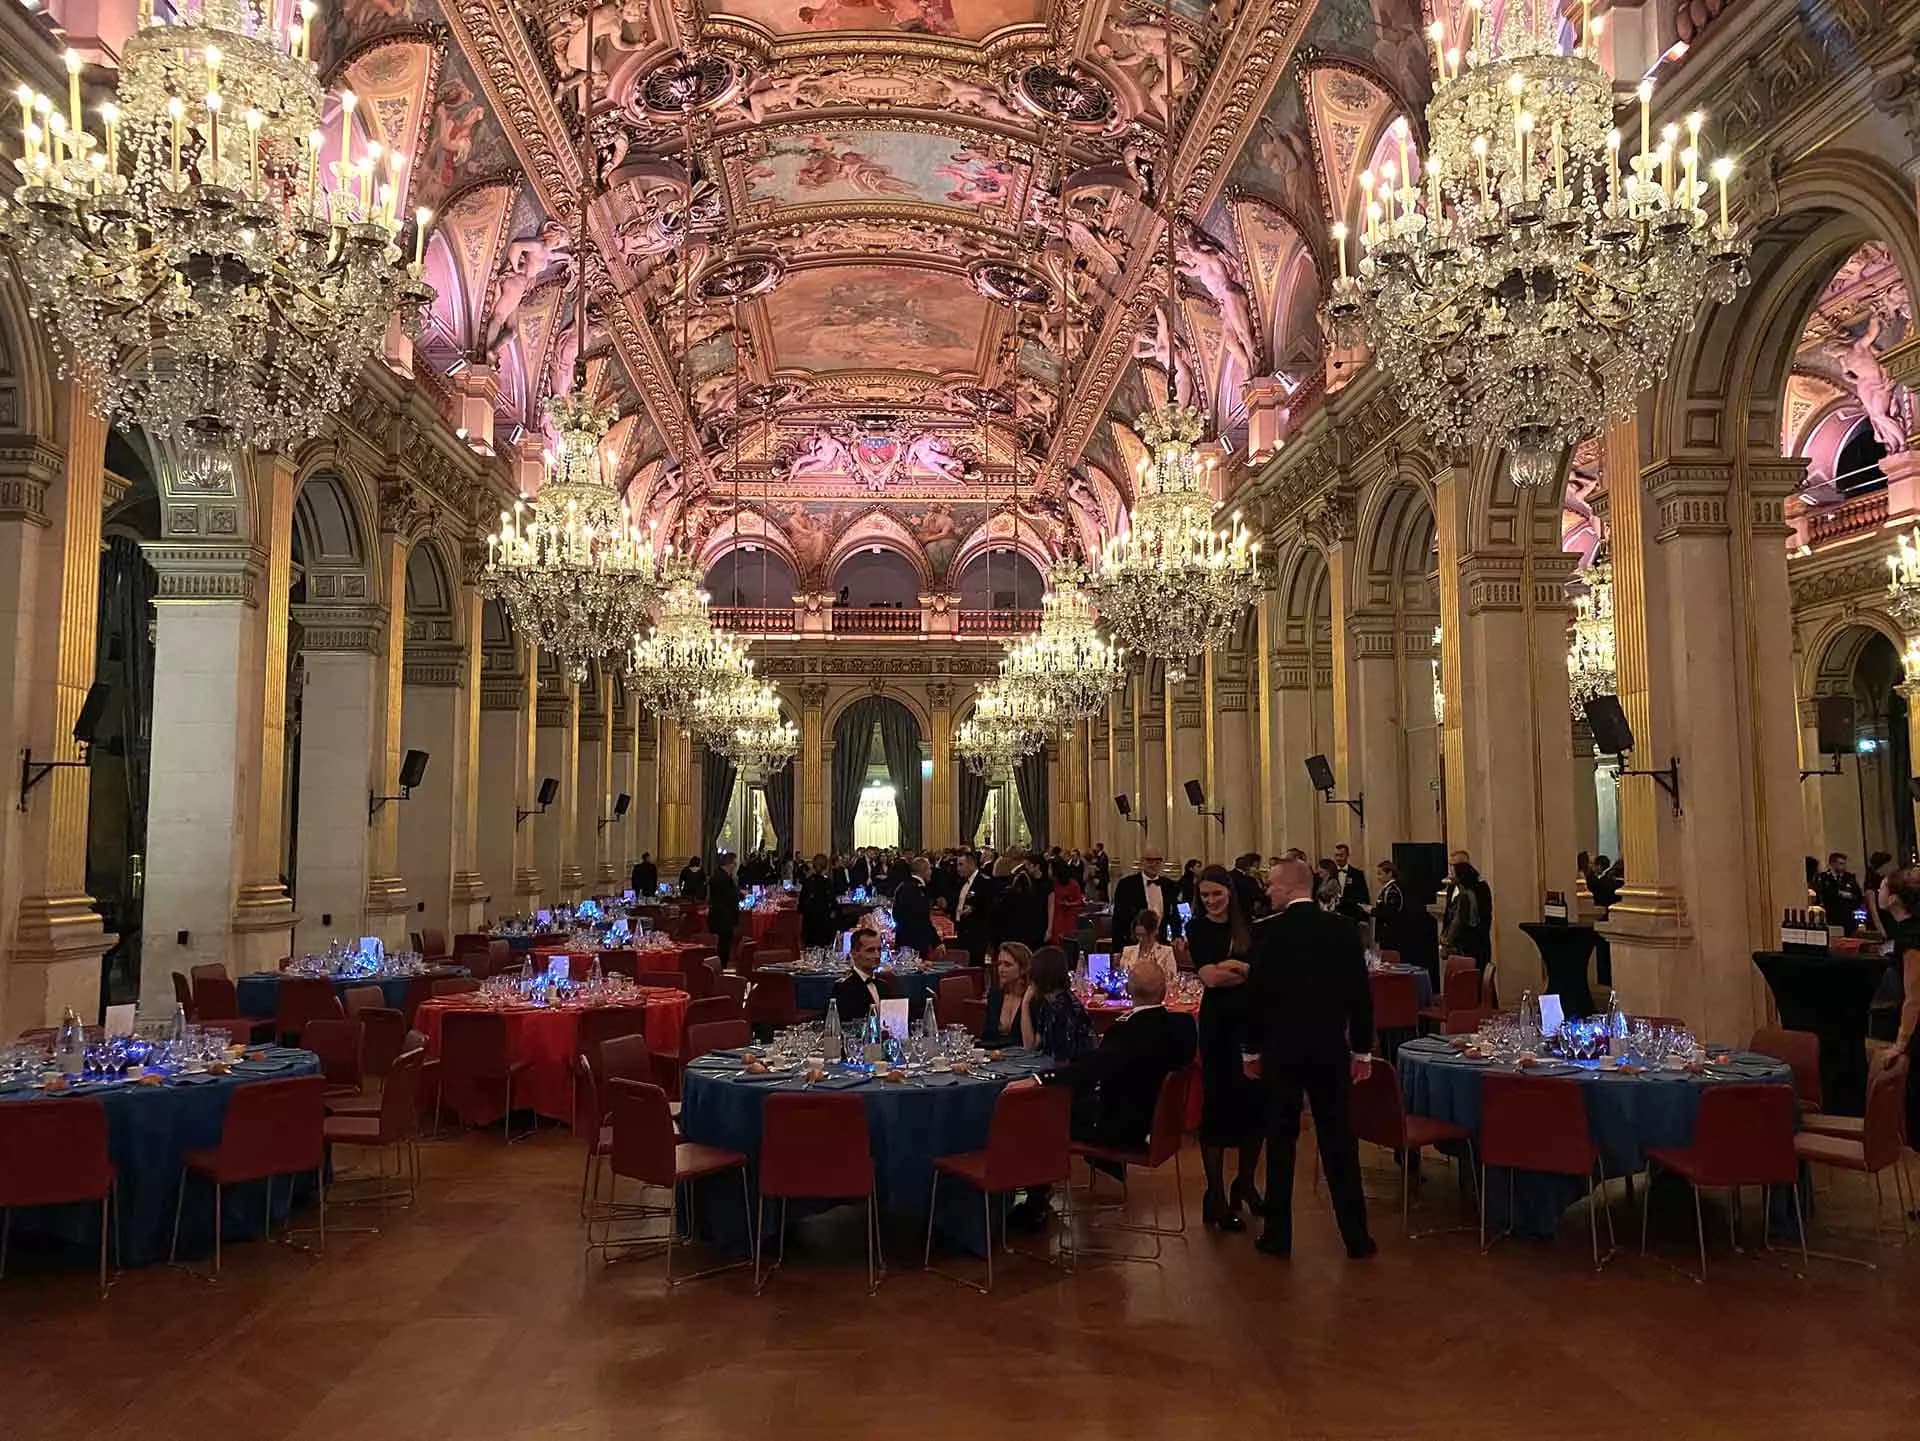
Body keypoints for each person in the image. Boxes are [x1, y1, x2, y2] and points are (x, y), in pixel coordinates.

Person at [1243, 857, 1376, 1260]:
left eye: (1271, 885)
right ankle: (1357, 1237)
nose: (1267, 891)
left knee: (1281, 1142)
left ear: (1287, 887)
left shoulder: (1266, 932)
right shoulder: (1342, 930)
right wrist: (1364, 1050)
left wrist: (1251, 1050)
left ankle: (1278, 1236)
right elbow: (1360, 996)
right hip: (1329, 1049)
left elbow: (1256, 999)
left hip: (1282, 1051)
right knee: (1339, 1142)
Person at [1187, 863, 1262, 1230]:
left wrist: (1243, 969)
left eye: (1216, 894)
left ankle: (1245, 1183)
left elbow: (1262, 971)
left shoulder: (1247, 923)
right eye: (1205, 896)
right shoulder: (1197, 928)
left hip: (1251, 1023)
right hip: (1218, 1026)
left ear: (1229, 892)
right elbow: (1211, 978)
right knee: (1217, 1109)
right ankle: (1214, 1195)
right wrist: (1242, 970)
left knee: (1255, 1106)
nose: (1211, 901)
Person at [1067, 959, 1196, 1150]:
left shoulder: (1123, 1033)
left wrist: (1045, 1076)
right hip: (1164, 1126)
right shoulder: (1185, 1025)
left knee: (1052, 1113)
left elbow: (1092, 1072)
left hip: (1125, 1130)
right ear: (1164, 990)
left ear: (1127, 989)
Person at [1874, 867, 1920, 1173]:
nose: (1877, 891)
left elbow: (1914, 995)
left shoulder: (1911, 935)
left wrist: (1900, 1044)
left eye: (1881, 887)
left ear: (1893, 899)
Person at [1017, 944, 1094, 1064]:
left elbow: (1064, 1060)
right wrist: (1025, 1004)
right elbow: (1030, 1046)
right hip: (1051, 1068)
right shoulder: (1048, 1003)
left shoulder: (1065, 1008)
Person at [1111, 847, 1179, 948]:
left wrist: (1177, 936)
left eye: (1158, 861)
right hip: (1133, 944)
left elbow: (1174, 915)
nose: (1154, 864)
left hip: (1161, 944)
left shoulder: (1169, 885)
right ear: (1142, 861)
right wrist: (1117, 949)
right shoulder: (1126, 885)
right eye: (1150, 860)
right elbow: (1118, 918)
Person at [1441, 857, 1491, 970]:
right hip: (1475, 944)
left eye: (1453, 873)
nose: (1451, 877)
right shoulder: (1469, 890)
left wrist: (1447, 942)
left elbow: (1458, 921)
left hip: (1467, 947)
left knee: (1467, 982)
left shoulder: (1467, 894)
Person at [981, 941, 1031, 1049]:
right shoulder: (995, 994)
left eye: (1007, 965)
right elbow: (988, 1036)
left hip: (1024, 1060)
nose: (1001, 969)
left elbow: (1032, 1045)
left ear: (1023, 969)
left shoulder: (1032, 998)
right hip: (995, 1057)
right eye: (999, 964)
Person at [830, 926, 885, 1023]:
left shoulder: (884, 985)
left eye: (879, 950)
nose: (877, 955)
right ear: (853, 953)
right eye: (870, 950)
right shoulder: (843, 988)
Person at [951, 850, 996, 965]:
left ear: (971, 864)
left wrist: (973, 910)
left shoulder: (985, 882)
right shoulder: (960, 882)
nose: (958, 868)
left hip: (976, 934)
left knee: (975, 966)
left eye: (961, 865)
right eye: (957, 865)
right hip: (961, 931)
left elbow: (990, 906)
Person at [997, 853, 1050, 948]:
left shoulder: (1047, 883)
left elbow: (1051, 906)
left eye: (1028, 865)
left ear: (1037, 866)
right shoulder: (1025, 880)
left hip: (1042, 922)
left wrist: (1049, 929)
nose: (1025, 868)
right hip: (1028, 924)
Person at [1118, 907, 1179, 988]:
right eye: (1138, 935)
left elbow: (1172, 979)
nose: (1141, 939)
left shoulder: (1166, 952)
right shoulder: (1127, 951)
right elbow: (1122, 979)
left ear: (1154, 932)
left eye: (1144, 935)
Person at [892, 856, 940, 955]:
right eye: (929, 868)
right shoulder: (916, 889)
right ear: (924, 870)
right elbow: (922, 919)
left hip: (903, 939)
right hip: (915, 943)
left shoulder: (903, 885)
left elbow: (895, 914)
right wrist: (936, 941)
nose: (931, 872)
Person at [1816, 852, 1865, 935]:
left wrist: (1843, 895)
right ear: (1832, 864)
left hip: (1848, 918)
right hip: (1831, 917)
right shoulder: (1824, 878)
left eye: (1844, 864)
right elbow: (1824, 895)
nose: (1844, 866)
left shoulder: (1849, 878)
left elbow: (1858, 896)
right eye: (1841, 863)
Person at [1371, 858, 1410, 958]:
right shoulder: (1387, 889)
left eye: (1380, 874)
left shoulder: (1393, 890)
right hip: (1385, 934)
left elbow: (1389, 913)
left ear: (1389, 874)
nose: (1377, 877)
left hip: (1391, 934)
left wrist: (1371, 910)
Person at [708, 853, 741, 972]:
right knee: (723, 945)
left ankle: (720, 968)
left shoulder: (716, 876)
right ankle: (721, 968)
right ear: (730, 864)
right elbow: (730, 897)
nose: (735, 866)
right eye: (735, 864)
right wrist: (739, 894)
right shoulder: (724, 878)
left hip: (718, 915)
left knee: (722, 944)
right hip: (723, 917)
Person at [800, 852, 840, 948]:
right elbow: (833, 904)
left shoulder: (807, 882)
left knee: (809, 952)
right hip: (825, 925)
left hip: (809, 924)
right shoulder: (828, 883)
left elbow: (800, 906)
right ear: (826, 867)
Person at [1047, 857, 1085, 944]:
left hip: (1067, 918)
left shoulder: (1072, 883)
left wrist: (1069, 904)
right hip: (1055, 919)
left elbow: (1080, 900)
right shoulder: (1051, 884)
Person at [1330, 843, 1370, 920]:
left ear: (1347, 855)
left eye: (1341, 855)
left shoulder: (1357, 874)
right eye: (1336, 855)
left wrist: (1364, 919)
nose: (1338, 858)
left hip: (1352, 916)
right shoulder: (1330, 873)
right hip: (1333, 917)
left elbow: (1364, 897)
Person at [1865, 850, 1895, 933]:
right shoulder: (1871, 884)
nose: (1890, 867)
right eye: (1888, 865)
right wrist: (1881, 931)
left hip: (1890, 923)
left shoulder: (1887, 881)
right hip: (1881, 925)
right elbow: (1873, 912)